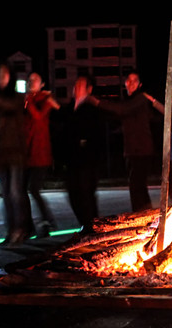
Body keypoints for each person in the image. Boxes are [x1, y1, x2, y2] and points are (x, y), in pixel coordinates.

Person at [94, 71, 160, 212]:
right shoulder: (130, 101)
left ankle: (141, 216)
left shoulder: (140, 98)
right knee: (138, 186)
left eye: (134, 80)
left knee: (137, 186)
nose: (130, 83)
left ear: (140, 84)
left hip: (141, 150)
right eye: (128, 80)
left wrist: (97, 102)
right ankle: (146, 216)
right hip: (131, 150)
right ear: (125, 83)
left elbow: (121, 109)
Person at [0, 63, 29, 246]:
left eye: (4, 74)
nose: (0, 77)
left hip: (16, 153)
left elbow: (10, 106)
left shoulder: (17, 98)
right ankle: (11, 231)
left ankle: (22, 229)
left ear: (11, 77)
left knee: (15, 192)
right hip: (1, 154)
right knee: (6, 195)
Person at [60, 75, 106, 231]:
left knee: (86, 195)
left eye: (81, 85)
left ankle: (92, 227)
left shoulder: (92, 108)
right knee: (73, 194)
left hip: (88, 161)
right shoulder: (70, 107)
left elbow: (96, 133)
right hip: (72, 160)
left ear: (89, 89)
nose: (76, 88)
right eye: (76, 85)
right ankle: (86, 224)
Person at [24, 72, 59, 237]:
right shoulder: (30, 100)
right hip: (28, 151)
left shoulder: (44, 100)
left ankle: (47, 219)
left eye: (35, 80)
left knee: (34, 189)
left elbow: (37, 117)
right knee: (25, 190)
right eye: (30, 80)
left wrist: (29, 99)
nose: (32, 82)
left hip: (41, 152)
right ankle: (34, 224)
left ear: (42, 84)